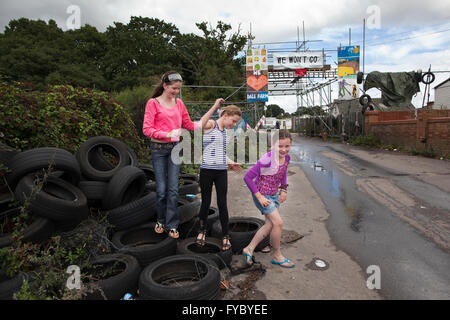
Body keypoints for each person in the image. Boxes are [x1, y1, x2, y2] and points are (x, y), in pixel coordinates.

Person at [143, 70, 223, 239]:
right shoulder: (153, 103)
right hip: (158, 149)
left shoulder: (179, 104)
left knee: (173, 189)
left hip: (174, 149)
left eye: (178, 89)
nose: (176, 92)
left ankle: (172, 225)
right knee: (162, 189)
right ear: (164, 86)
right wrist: (167, 134)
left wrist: (214, 108)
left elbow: (191, 125)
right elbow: (147, 129)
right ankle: (161, 220)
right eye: (173, 88)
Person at [242, 129, 294, 268]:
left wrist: (284, 189)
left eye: (287, 146)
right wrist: (259, 197)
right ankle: (277, 255)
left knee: (270, 225)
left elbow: (283, 173)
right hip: (262, 196)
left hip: (274, 195)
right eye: (280, 146)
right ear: (272, 145)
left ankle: (249, 248)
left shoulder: (287, 158)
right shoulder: (266, 160)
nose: (284, 150)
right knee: (278, 223)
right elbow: (247, 178)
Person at [196, 105, 242, 251]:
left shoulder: (225, 133)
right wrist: (215, 106)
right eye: (233, 121)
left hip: (221, 171)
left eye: (236, 123)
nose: (233, 125)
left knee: (222, 204)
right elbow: (199, 125)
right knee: (206, 202)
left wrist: (231, 162)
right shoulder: (211, 124)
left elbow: (221, 153)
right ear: (226, 115)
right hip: (207, 170)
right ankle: (201, 231)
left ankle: (225, 235)